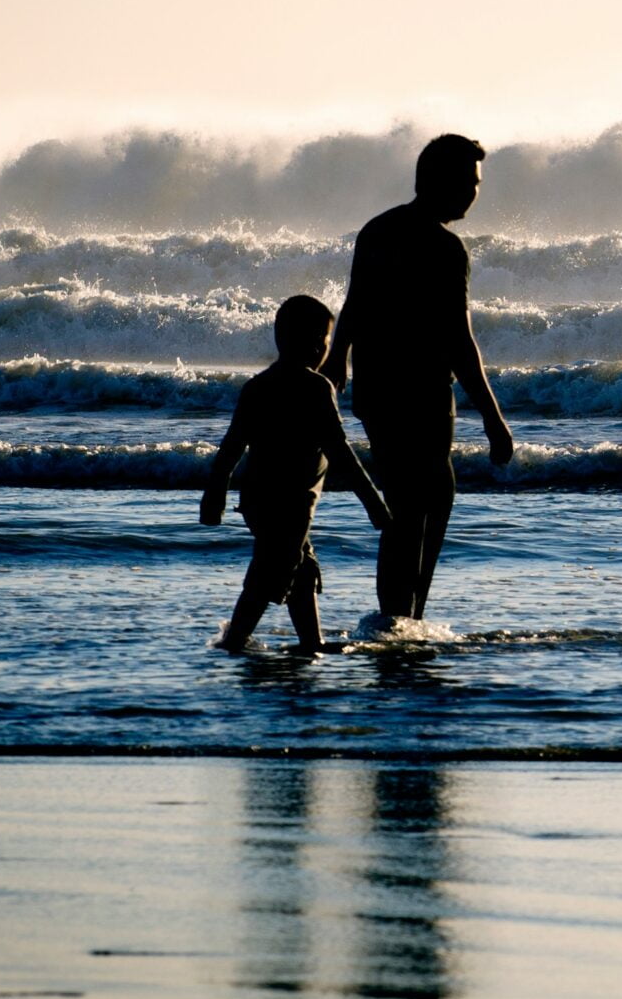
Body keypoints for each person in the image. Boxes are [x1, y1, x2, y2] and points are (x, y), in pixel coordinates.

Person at [323, 133, 515, 623]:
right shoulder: (444, 248)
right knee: (415, 507)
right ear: (441, 180)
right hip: (421, 393)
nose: (475, 193)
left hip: (376, 390)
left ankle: (406, 616)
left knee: (425, 498)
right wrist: (494, 419)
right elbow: (459, 341)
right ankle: (399, 620)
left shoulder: (377, 230)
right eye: (470, 183)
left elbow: (354, 304)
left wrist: (338, 357)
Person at [200, 294, 390, 653]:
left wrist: (215, 495)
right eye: (324, 341)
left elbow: (230, 449)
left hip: (257, 500)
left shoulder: (257, 387)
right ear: (308, 342)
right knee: (271, 572)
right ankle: (234, 641)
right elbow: (340, 452)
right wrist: (373, 503)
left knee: (300, 570)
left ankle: (310, 643)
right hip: (292, 503)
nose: (325, 349)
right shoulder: (316, 388)